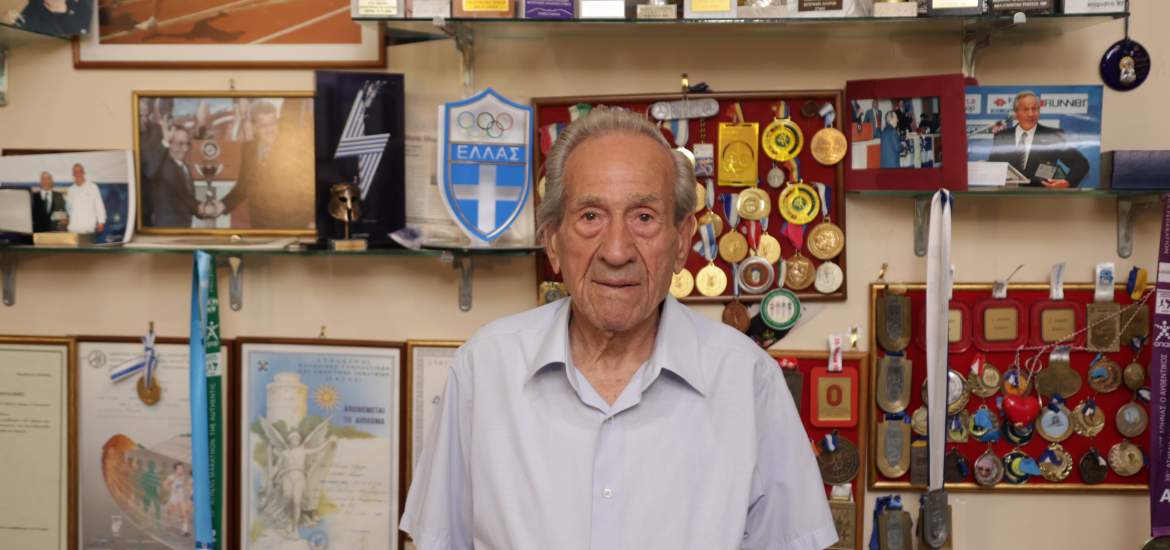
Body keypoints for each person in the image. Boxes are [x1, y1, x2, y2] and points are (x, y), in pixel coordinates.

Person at [401, 108, 836, 550]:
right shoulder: (484, 369)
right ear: (553, 242)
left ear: (682, 242)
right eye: (591, 216)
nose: (616, 250)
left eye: (643, 217)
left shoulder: (748, 381)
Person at [213, 100, 314, 229]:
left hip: (293, 223)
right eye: (263, 126)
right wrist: (222, 205)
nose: (269, 130)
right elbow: (243, 186)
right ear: (254, 127)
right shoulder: (248, 149)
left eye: (272, 123)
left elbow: (307, 186)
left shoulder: (293, 147)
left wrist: (312, 219)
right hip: (260, 223)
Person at [987, 90, 1090, 188]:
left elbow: (1081, 163)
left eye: (1034, 109)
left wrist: (1067, 182)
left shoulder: (1053, 136)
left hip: (1041, 197)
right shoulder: (1002, 137)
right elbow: (993, 167)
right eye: (1026, 109)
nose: (1031, 114)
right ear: (1016, 113)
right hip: (1007, 196)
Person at [142, 125, 205, 227]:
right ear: (169, 144)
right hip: (165, 230)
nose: (185, 149)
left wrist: (204, 209)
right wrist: (165, 142)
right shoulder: (162, 167)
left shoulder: (184, 167)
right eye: (180, 144)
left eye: (187, 144)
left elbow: (186, 199)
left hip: (184, 229)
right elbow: (149, 171)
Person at [65, 163, 106, 234]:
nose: (78, 174)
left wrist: (101, 222)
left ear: (83, 172)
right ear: (73, 174)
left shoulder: (93, 187)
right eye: (75, 172)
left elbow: (99, 205)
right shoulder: (70, 189)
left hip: (88, 228)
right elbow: (68, 208)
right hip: (73, 228)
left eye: (80, 171)